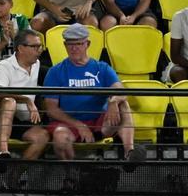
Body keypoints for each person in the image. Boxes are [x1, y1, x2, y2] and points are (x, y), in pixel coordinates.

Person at [43, 23, 144, 161]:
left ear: (87, 44)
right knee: (60, 137)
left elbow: (121, 91)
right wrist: (79, 125)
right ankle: (70, 176)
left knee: (122, 104)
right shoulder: (55, 71)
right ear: (65, 45)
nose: (73, 48)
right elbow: (51, 109)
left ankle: (130, 153)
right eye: (69, 44)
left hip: (99, 123)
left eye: (78, 44)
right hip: (69, 124)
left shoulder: (102, 68)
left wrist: (113, 101)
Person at [0, 29, 50, 160]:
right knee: (9, 101)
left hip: (19, 120)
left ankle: (13, 178)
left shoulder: (37, 65)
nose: (39, 50)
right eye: (35, 46)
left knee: (42, 137)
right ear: (21, 48)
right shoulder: (5, 66)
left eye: (40, 46)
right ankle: (3, 152)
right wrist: (26, 100)